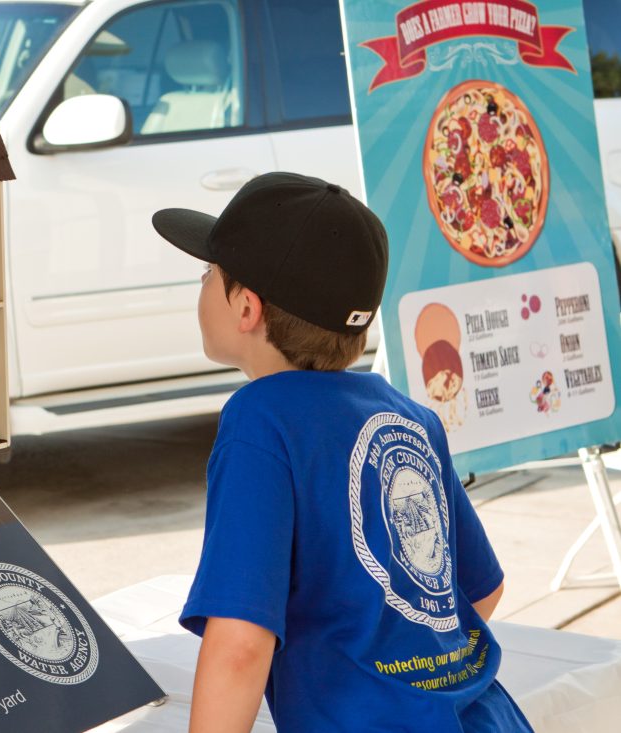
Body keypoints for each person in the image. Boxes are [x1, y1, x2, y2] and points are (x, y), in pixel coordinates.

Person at [152, 172, 532, 732]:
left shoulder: (260, 421)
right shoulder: (412, 418)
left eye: (209, 272)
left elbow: (239, 645)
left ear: (247, 308)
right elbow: (483, 588)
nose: (203, 282)